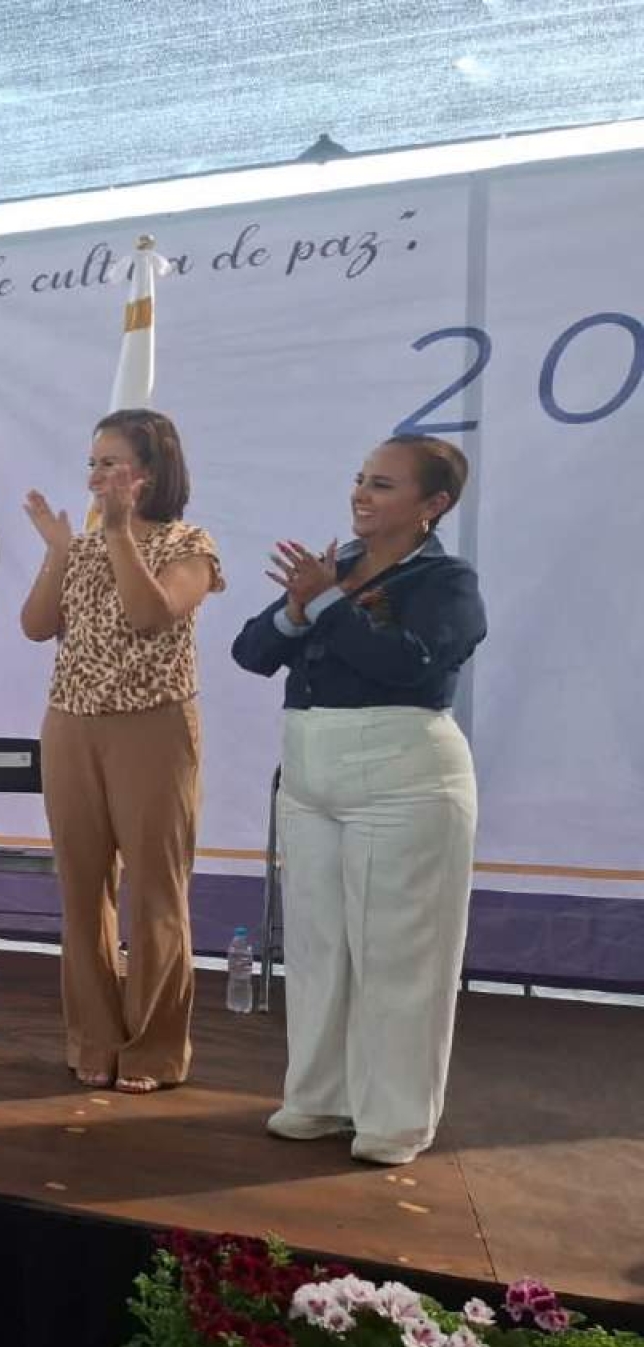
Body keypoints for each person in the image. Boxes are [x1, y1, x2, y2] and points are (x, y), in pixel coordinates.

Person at [232, 434, 485, 1166]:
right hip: (312, 774)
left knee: (400, 954)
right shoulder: (334, 566)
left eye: (383, 484)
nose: (361, 494)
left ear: (433, 504)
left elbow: (406, 664)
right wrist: (299, 606)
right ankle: (320, 1097)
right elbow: (252, 652)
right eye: (360, 479)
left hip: (403, 778)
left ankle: (396, 1119)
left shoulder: (446, 581)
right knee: (317, 949)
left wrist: (326, 601)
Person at [20, 409, 223, 1094]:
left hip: (154, 727)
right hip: (71, 724)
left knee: (156, 891)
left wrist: (116, 535)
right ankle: (94, 1037)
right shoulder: (79, 547)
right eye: (93, 464)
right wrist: (58, 550)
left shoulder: (188, 543)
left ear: (151, 472)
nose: (97, 477)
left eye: (111, 463)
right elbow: (36, 626)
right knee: (82, 889)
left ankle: (154, 1049)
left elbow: (150, 613)